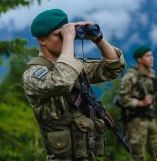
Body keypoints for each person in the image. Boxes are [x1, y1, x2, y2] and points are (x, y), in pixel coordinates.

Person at [22, 9, 126, 161]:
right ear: (42, 40)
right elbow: (61, 81)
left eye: (67, 33)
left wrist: (98, 39)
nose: (65, 38)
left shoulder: (74, 66)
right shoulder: (33, 73)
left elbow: (113, 68)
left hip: (86, 153)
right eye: (60, 35)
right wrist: (70, 38)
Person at [118, 45, 157, 161]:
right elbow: (123, 99)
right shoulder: (131, 77)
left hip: (151, 118)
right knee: (138, 156)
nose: (151, 58)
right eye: (148, 56)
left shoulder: (152, 75)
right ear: (139, 59)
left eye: (152, 55)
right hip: (136, 121)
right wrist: (141, 103)